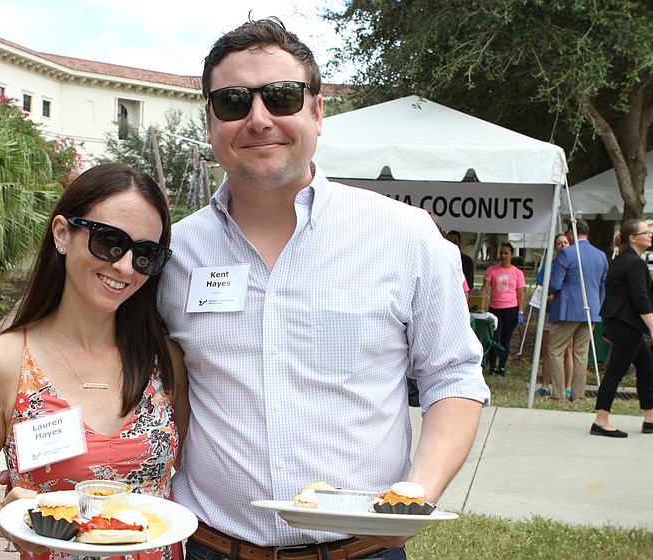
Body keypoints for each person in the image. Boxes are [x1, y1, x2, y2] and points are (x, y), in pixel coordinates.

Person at [158, 17, 490, 559]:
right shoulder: (174, 254)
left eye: (282, 96)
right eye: (234, 101)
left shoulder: (405, 237)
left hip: (363, 549)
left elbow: (452, 374)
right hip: (210, 547)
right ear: (210, 119)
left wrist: (419, 493)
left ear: (317, 111)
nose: (259, 119)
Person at [0, 163, 186, 560]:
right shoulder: (3, 362)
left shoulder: (164, 358)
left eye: (145, 254)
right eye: (110, 241)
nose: (125, 266)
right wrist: (3, 520)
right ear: (62, 233)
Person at [591, 220, 653, 437]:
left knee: (647, 364)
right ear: (633, 237)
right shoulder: (633, 264)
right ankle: (600, 420)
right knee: (616, 371)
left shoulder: (622, 261)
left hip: (620, 323)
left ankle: (650, 417)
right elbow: (640, 299)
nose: (650, 236)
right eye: (646, 232)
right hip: (626, 325)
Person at [547, 219, 608, 402]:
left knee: (555, 351)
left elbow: (556, 283)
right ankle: (578, 394)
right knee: (581, 353)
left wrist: (548, 291)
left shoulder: (566, 253)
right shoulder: (601, 255)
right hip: (592, 311)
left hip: (567, 309)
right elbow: (603, 287)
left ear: (571, 233)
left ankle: (558, 394)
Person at [534, 234, 573, 397]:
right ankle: (545, 385)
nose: (563, 245)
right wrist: (548, 296)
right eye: (559, 243)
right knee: (548, 349)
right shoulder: (549, 265)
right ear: (555, 247)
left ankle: (568, 386)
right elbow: (540, 287)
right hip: (549, 312)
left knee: (568, 350)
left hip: (566, 313)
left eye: (565, 242)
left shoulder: (574, 264)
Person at [480, 242, 526, 376]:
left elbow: (521, 293)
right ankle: (492, 366)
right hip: (495, 308)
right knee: (495, 338)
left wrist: (521, 311)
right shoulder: (492, 270)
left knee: (506, 339)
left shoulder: (518, 273)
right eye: (501, 253)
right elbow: (485, 289)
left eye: (506, 253)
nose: (503, 256)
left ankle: (502, 367)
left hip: (511, 309)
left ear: (511, 255)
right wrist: (482, 304)